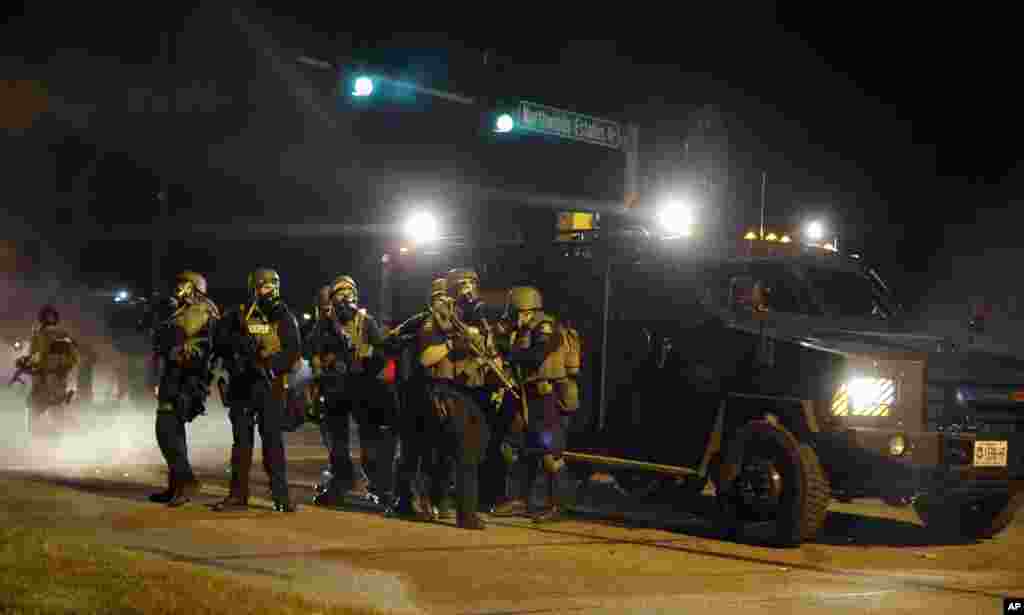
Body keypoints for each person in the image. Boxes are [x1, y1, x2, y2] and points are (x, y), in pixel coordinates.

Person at [418, 268, 508, 529]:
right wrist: (452, 345)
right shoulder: (440, 320)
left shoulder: (481, 320)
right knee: (464, 451)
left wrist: (499, 378)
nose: (468, 290)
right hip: (449, 391)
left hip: (476, 391)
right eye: (462, 285)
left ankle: (439, 499)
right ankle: (464, 513)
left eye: (472, 284)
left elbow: (492, 354)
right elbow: (425, 358)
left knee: (473, 448)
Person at [213, 268, 301, 513]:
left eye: (274, 286)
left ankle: (281, 497)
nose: (270, 291)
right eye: (265, 286)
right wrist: (237, 345)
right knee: (241, 444)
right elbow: (218, 341)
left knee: (273, 443)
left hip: (270, 387)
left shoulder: (284, 316)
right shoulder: (238, 314)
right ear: (254, 288)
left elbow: (293, 350)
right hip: (242, 386)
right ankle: (237, 496)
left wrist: (270, 366)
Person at [492, 286, 573, 522]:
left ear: (526, 309)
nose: (513, 318)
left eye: (515, 312)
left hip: (544, 398)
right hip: (528, 396)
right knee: (523, 449)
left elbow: (536, 356)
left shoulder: (544, 328)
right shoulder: (526, 328)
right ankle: (520, 500)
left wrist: (508, 351)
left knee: (550, 452)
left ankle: (558, 505)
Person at [310, 275, 389, 508]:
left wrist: (367, 357)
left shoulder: (366, 322)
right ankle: (341, 484)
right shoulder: (325, 323)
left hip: (363, 388)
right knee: (337, 443)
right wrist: (328, 361)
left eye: (350, 293)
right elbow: (310, 349)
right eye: (341, 294)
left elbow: (382, 353)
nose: (347, 299)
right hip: (335, 390)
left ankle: (379, 487)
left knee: (371, 441)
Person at [148, 271, 220, 507]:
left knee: (166, 429)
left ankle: (186, 481)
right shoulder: (182, 309)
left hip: (188, 376)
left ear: (194, 288)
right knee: (172, 429)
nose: (178, 288)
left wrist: (163, 325)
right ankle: (176, 486)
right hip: (177, 373)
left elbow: (178, 333)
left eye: (183, 284)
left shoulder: (201, 308)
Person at [18, 305, 80, 437]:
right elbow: (34, 354)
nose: (50, 319)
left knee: (57, 407)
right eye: (47, 316)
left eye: (52, 316)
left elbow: (73, 356)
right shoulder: (37, 334)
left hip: (55, 378)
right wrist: (25, 363)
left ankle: (66, 435)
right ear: (42, 317)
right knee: (35, 406)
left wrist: (63, 367)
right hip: (40, 377)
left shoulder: (62, 334)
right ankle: (35, 434)